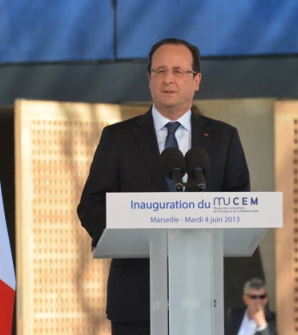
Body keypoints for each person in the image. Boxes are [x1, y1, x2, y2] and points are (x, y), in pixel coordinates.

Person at [77, 38, 251, 335]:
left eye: (178, 71)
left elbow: (241, 204)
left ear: (196, 80)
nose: (168, 78)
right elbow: (91, 203)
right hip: (135, 298)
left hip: (203, 294)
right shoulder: (118, 138)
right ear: (149, 79)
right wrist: (120, 235)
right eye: (159, 71)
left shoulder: (224, 138)